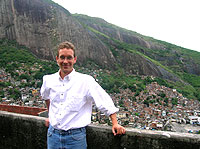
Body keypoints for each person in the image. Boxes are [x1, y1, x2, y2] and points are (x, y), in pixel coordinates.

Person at [40, 41, 126, 149]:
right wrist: (51, 116)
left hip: (75, 138)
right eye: (62, 57)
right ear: (57, 59)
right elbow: (46, 97)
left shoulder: (85, 81)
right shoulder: (48, 80)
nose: (65, 61)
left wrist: (115, 123)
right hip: (53, 135)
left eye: (69, 58)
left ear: (74, 59)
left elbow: (103, 100)